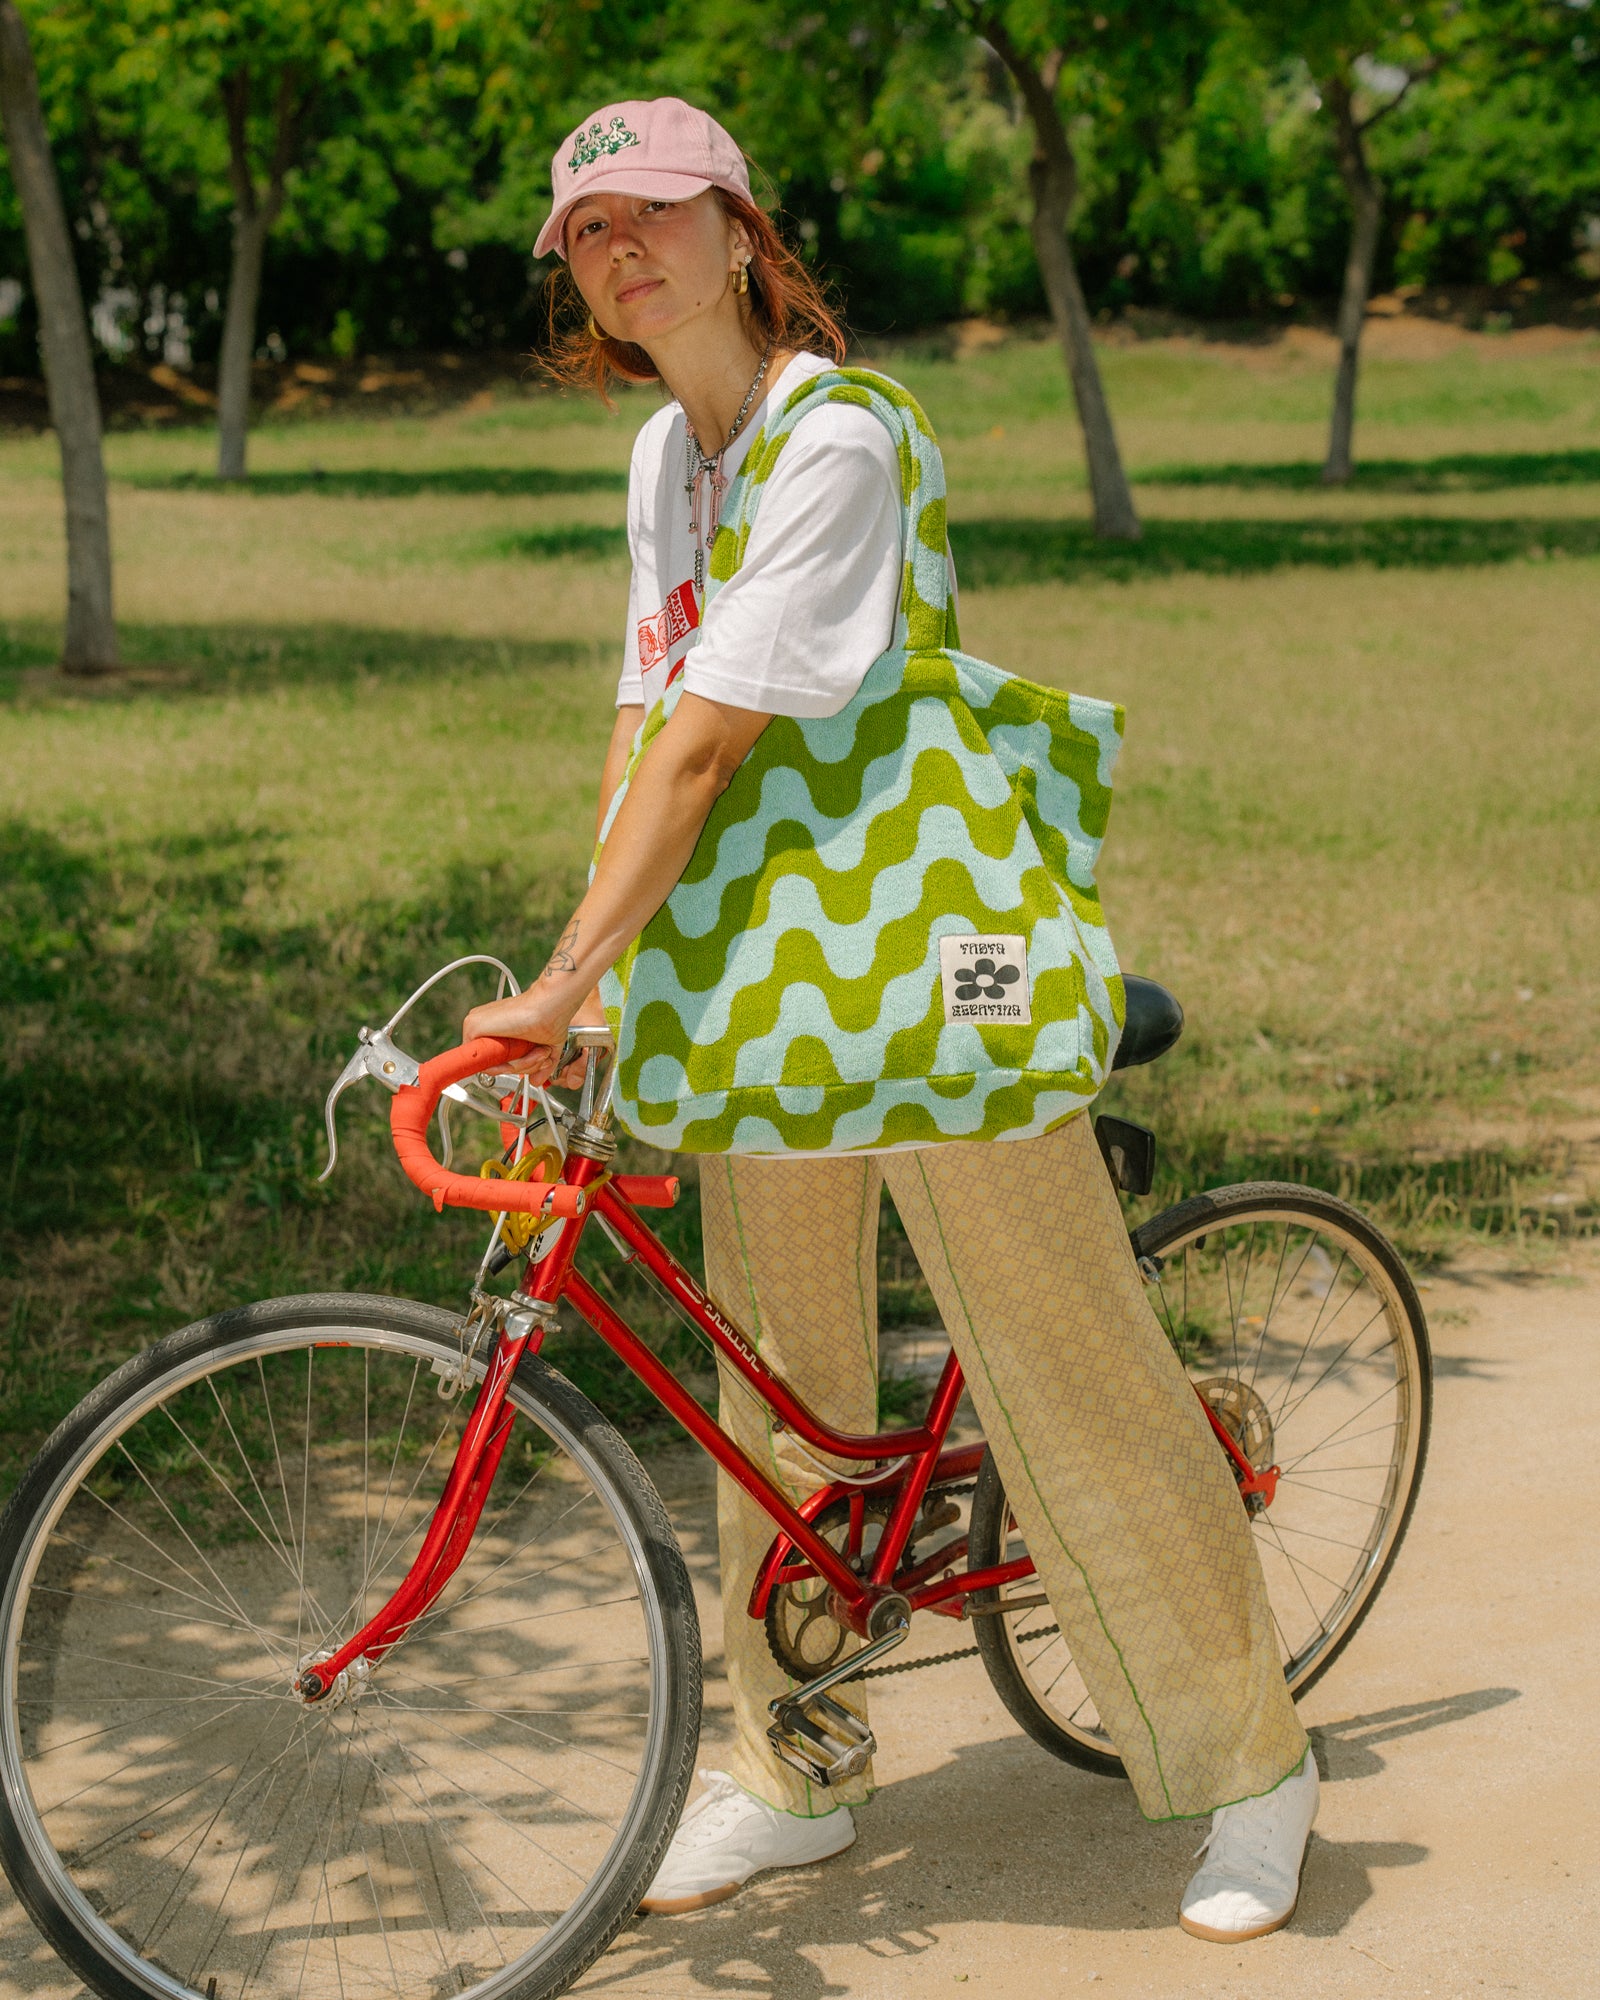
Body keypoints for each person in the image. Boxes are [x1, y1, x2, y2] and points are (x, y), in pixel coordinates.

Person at [463, 94, 1319, 1946]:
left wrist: (560, 983)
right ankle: (798, 1771)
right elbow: (638, 718)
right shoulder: (657, 459)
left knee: (1062, 1350)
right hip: (763, 976)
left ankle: (1253, 1763)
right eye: (589, 231)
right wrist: (588, 975)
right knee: (778, 1389)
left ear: (742, 233)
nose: (624, 250)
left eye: (657, 214)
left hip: (939, 960)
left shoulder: (837, 433)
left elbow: (711, 740)